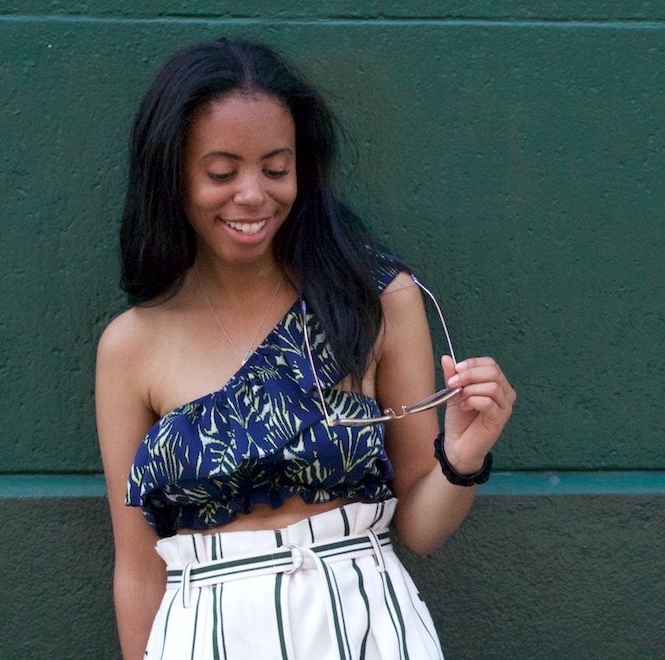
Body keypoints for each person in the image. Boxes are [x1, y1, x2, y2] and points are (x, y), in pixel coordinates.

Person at [95, 37, 515, 660]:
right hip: (207, 636)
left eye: (275, 168)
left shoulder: (375, 300)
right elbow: (136, 568)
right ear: (173, 175)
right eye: (221, 172)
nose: (252, 195)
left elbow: (421, 529)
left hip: (365, 626)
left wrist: (464, 455)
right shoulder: (131, 345)